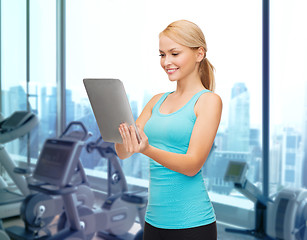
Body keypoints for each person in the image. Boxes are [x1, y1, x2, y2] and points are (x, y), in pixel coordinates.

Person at [115, 19, 222, 240]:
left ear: (199, 53)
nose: (166, 62)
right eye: (162, 54)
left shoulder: (208, 101)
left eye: (174, 53)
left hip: (193, 225)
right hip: (154, 222)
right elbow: (123, 152)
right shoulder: (156, 101)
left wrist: (146, 149)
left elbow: (192, 165)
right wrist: (120, 131)